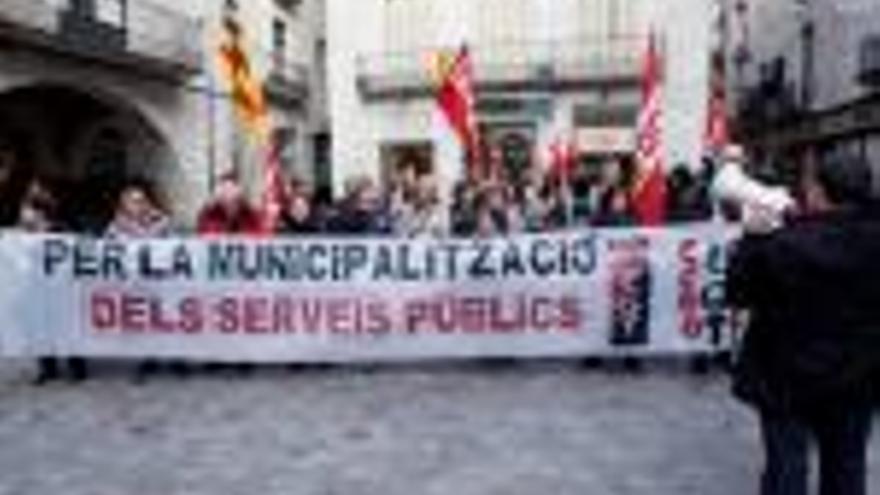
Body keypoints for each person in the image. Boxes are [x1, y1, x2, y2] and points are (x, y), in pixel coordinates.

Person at [727, 152, 880, 495]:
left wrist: (752, 239)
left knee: (786, 468)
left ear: (818, 192)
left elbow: (738, 292)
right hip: (859, 376)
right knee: (846, 467)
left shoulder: (785, 242)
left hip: (785, 377)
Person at [105, 182, 187, 382]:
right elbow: (107, 252)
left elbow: (177, 246)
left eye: (141, 200)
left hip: (161, 281)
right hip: (135, 283)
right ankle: (145, 359)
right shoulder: (116, 227)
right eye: (133, 201)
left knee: (166, 322)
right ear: (124, 205)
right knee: (142, 323)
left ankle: (174, 358)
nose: (138, 205)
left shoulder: (162, 221)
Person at [20, 180, 89, 384]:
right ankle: (47, 367)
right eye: (32, 190)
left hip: (62, 277)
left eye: (39, 189)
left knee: (67, 323)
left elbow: (77, 235)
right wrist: (28, 229)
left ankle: (77, 366)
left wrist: (51, 228)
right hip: (37, 276)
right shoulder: (27, 213)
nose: (35, 193)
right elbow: (20, 244)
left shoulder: (66, 210)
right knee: (41, 323)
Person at [197, 173, 262, 236]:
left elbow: (257, 236)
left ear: (239, 190)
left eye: (231, 189)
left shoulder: (251, 213)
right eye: (224, 188)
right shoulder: (209, 213)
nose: (227, 193)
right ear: (217, 191)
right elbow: (205, 236)